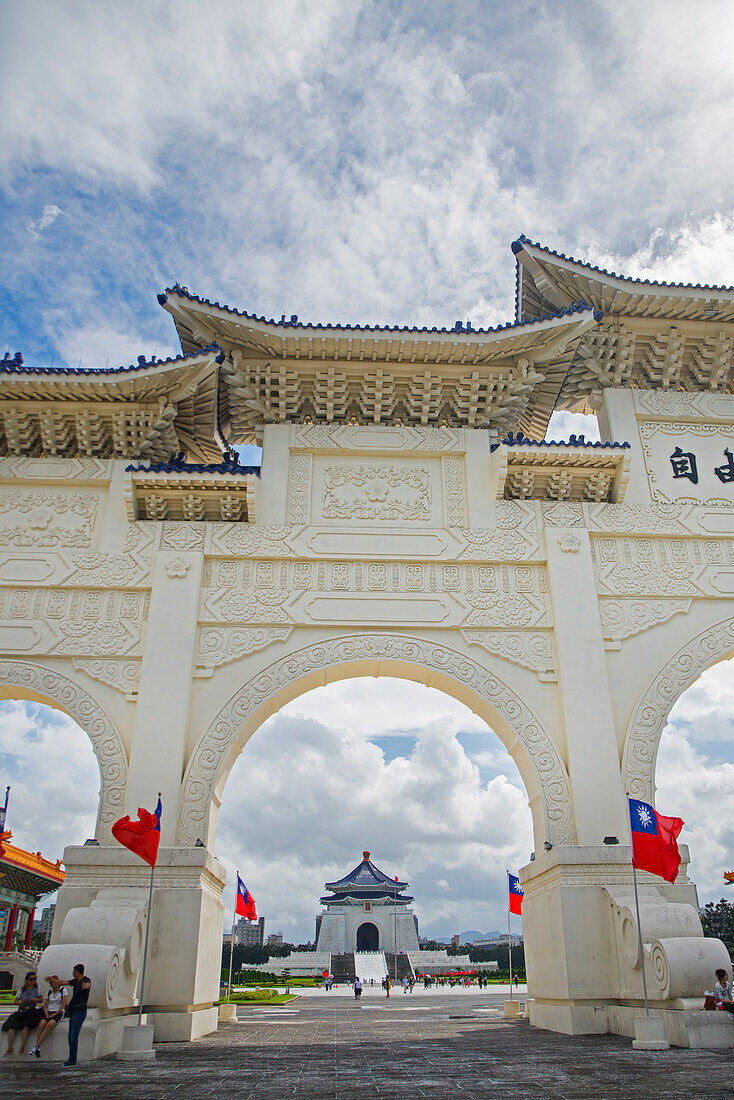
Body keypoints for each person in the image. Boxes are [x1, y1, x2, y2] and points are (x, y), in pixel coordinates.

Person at [48, 963, 91, 1067]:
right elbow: (62, 982)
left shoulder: (85, 980)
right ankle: (71, 1058)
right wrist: (53, 980)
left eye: (74, 972)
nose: (73, 973)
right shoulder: (75, 981)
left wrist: (86, 986)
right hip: (74, 1010)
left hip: (80, 1011)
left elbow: (88, 984)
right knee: (71, 1035)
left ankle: (72, 1059)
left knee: (73, 1035)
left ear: (77, 972)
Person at [2, 971, 42, 1056]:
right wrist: (20, 1002)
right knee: (12, 1026)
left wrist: (36, 1000)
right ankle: (9, 1047)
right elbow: (15, 1001)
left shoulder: (37, 989)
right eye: (31, 979)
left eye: (35, 979)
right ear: (27, 980)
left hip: (31, 1011)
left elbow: (41, 999)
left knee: (26, 1025)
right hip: (22, 1010)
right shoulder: (22, 989)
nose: (33, 981)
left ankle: (22, 1045)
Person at [29, 977, 68, 1058]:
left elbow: (63, 1004)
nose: (53, 984)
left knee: (49, 1025)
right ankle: (38, 1048)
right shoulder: (49, 992)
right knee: (41, 1024)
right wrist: (46, 1013)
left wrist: (55, 1014)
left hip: (58, 1012)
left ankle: (36, 1046)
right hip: (49, 1011)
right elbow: (45, 1005)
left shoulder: (63, 990)